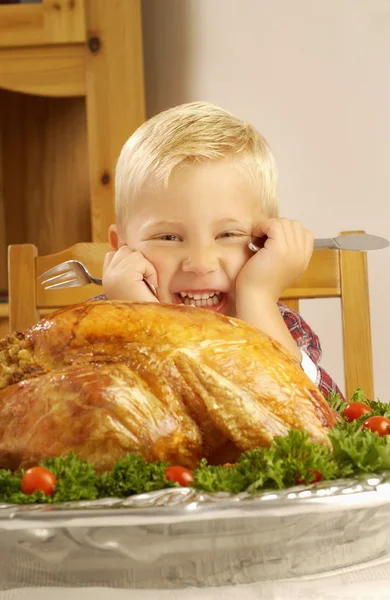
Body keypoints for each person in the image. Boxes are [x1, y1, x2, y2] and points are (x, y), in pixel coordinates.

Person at [101, 101, 342, 399]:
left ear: (266, 244)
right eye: (168, 237)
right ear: (123, 248)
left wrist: (257, 296)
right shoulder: (99, 324)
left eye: (228, 234)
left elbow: (322, 416)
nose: (201, 263)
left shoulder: (279, 324)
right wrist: (141, 316)